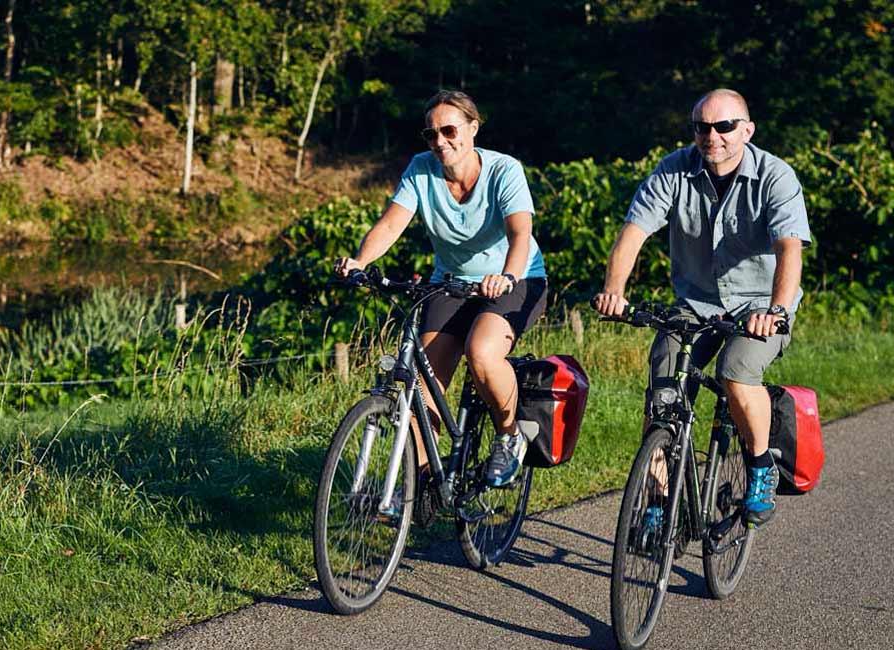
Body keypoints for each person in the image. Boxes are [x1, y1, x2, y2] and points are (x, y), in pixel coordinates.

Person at [593, 88, 812, 527]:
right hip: (694, 303)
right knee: (663, 392)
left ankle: (760, 466)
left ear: (746, 130)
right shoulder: (673, 170)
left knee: (736, 371)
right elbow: (633, 232)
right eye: (701, 127)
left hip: (759, 306)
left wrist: (777, 311)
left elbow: (789, 248)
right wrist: (613, 290)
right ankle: (657, 500)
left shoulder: (775, 176)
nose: (712, 135)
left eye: (724, 126)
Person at [334, 89, 548, 493]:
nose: (440, 142)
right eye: (431, 135)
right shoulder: (421, 169)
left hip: (515, 279)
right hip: (450, 283)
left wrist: (507, 276)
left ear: (473, 127)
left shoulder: (505, 170)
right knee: (422, 386)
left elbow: (520, 233)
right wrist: (361, 262)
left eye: (449, 130)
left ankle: (508, 435)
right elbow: (390, 224)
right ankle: (414, 488)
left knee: (481, 354)